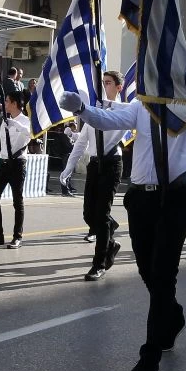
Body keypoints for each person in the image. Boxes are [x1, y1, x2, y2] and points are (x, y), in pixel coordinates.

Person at [61, 88, 186, 371]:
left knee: (162, 275)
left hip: (178, 197)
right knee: (146, 270)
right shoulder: (141, 105)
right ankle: (173, 315)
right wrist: (81, 108)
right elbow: (108, 120)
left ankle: (150, 355)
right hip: (142, 198)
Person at [59, 71, 128, 280]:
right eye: (102, 83)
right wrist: (68, 168)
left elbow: (123, 114)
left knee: (102, 214)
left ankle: (99, 263)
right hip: (95, 164)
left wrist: (104, 104)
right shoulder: (91, 113)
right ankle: (111, 242)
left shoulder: (124, 111)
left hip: (112, 164)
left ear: (118, 87)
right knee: (89, 214)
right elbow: (81, 143)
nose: (104, 86)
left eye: (108, 83)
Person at [0, 91, 30, 249]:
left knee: (17, 201)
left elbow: (29, 134)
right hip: (3, 162)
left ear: (15, 103)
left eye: (7, 101)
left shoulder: (25, 120)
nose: (5, 103)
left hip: (17, 164)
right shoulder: (5, 120)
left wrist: (15, 124)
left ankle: (17, 236)